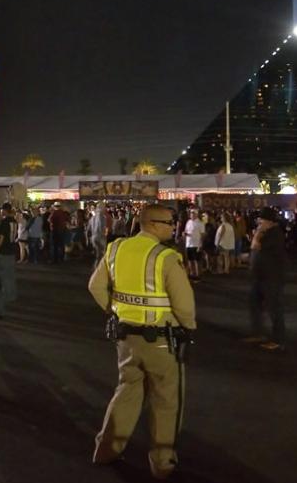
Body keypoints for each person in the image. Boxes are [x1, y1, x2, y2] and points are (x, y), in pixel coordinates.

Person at [89, 205, 195, 478]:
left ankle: (106, 449)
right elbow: (184, 305)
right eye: (171, 222)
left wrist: (115, 310)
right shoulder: (165, 257)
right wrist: (189, 328)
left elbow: (95, 286)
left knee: (126, 392)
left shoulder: (116, 249)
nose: (174, 226)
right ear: (154, 224)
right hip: (161, 341)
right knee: (166, 401)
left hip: (125, 338)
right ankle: (162, 463)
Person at [244, 208, 286, 351]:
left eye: (261, 220)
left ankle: (278, 340)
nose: (259, 223)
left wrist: (257, 234)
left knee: (274, 309)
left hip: (271, 278)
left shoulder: (275, 234)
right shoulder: (268, 232)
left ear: (268, 221)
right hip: (260, 276)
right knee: (254, 305)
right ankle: (258, 333)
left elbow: (255, 245)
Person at [182, 210, 204, 283]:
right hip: (189, 244)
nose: (191, 215)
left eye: (193, 214)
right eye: (191, 214)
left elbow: (202, 235)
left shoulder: (200, 223)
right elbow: (186, 231)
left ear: (196, 215)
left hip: (196, 244)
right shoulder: (188, 222)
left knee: (196, 261)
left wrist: (200, 245)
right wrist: (185, 234)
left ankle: (198, 276)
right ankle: (192, 274)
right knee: (190, 260)